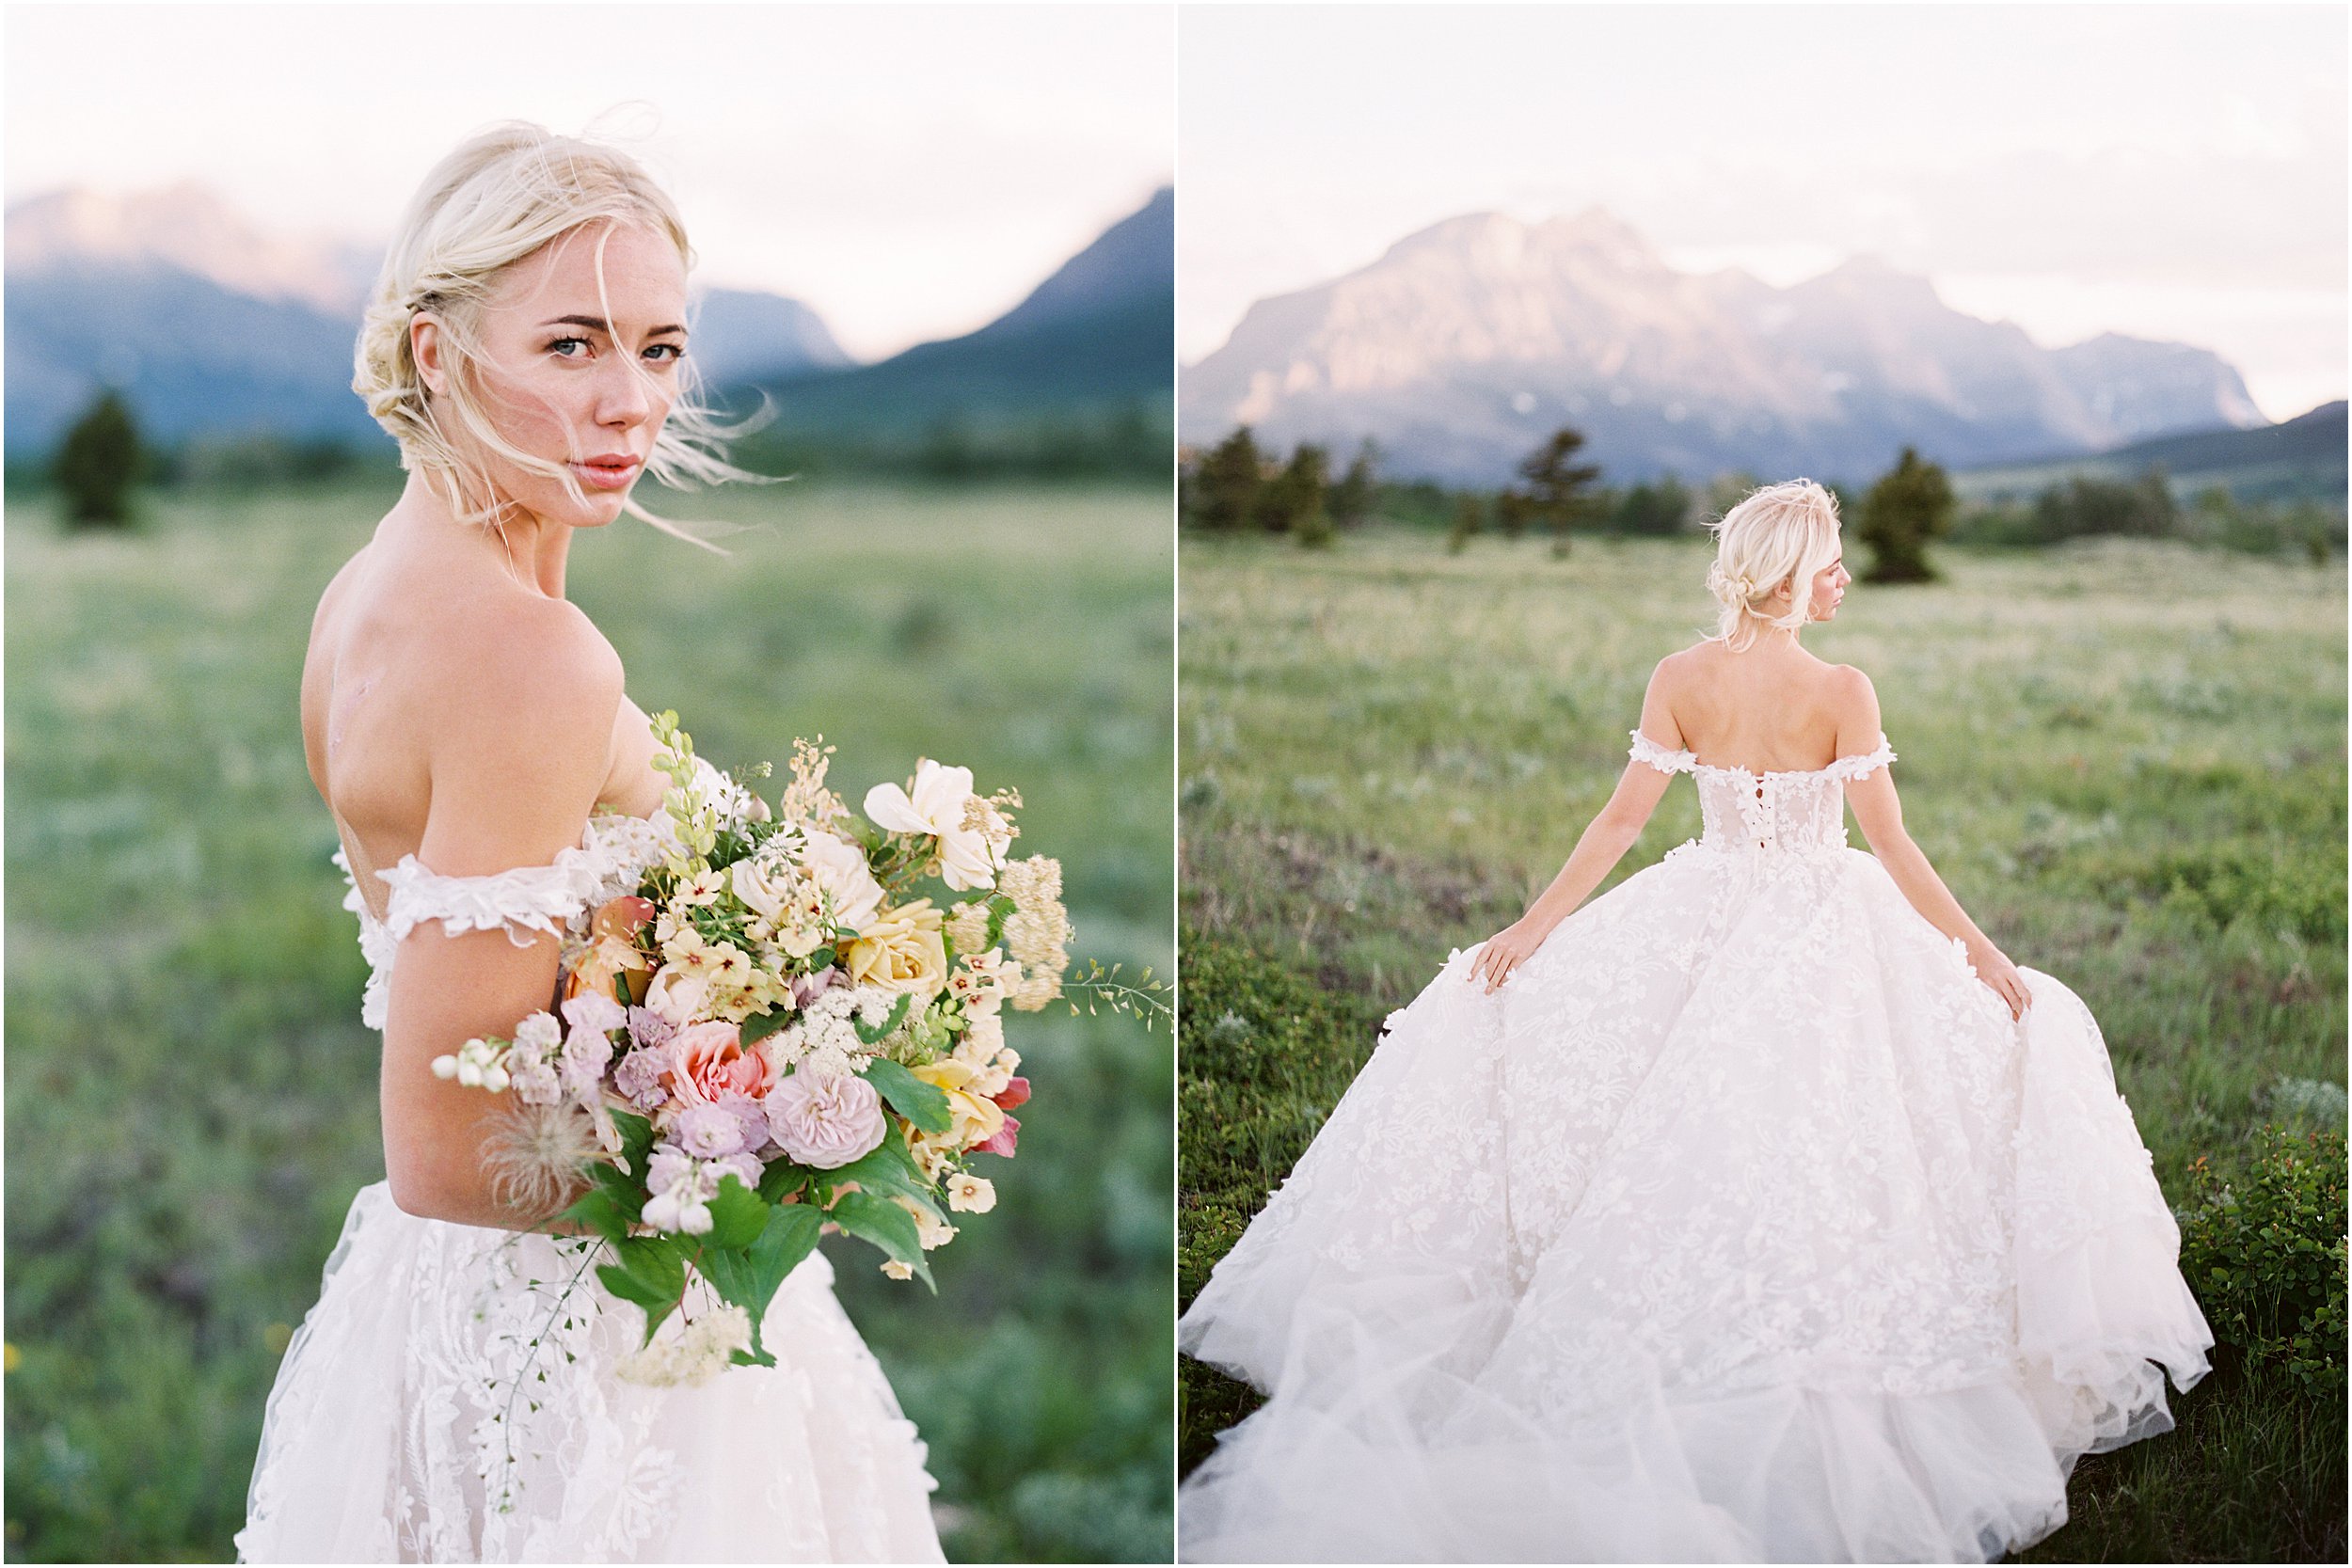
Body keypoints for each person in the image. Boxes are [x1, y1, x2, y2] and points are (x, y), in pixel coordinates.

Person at [1176, 480, 2212, 1563]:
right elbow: (1892, 847)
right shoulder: (1841, 687)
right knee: (1821, 1130)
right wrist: (1987, 958)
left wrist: (1535, 926)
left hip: (1700, 903)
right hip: (1821, 915)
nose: (1843, 575)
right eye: (1831, 560)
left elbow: (1623, 818)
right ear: (1791, 571)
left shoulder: (1680, 675)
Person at [235, 123, 944, 1563]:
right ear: (438, 353)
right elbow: (444, 1146)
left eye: (663, 348)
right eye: (571, 345)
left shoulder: (364, 593)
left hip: (444, 1304)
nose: (632, 403)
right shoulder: (528, 655)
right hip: (592, 1343)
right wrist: (782, 1167)